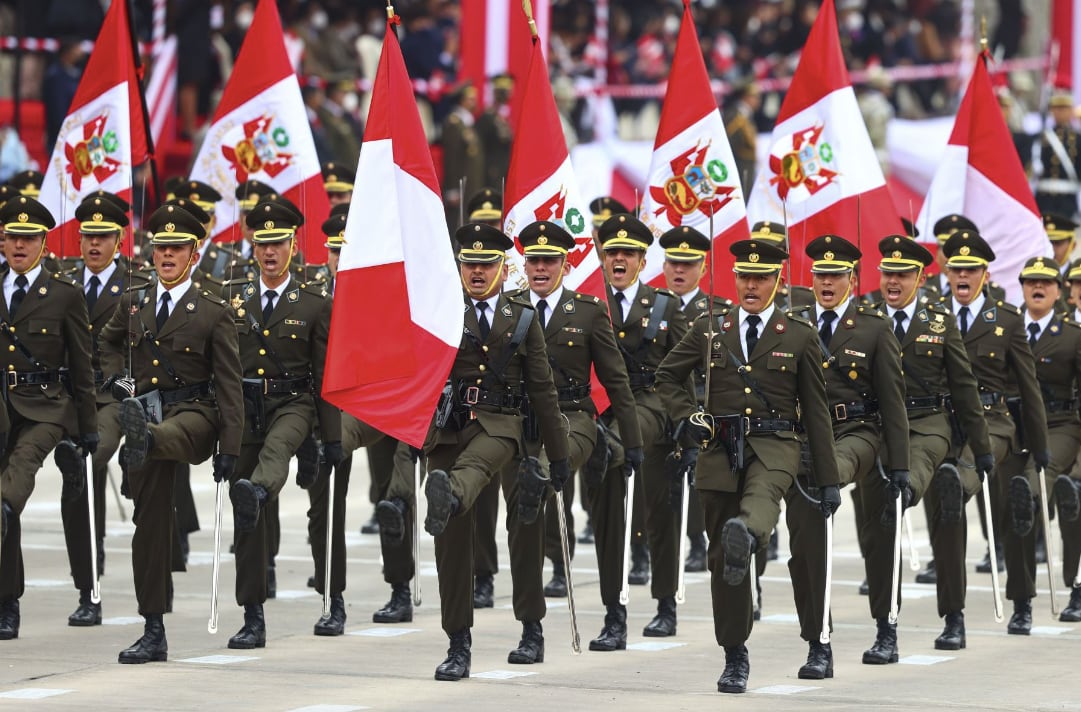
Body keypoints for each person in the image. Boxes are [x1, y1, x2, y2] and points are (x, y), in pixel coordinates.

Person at [655, 238, 839, 693]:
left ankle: (814, 637)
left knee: (759, 506)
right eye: (744, 277)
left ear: (779, 281)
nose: (751, 286)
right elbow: (667, 375)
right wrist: (687, 417)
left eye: (761, 278)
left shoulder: (798, 334)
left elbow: (816, 412)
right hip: (720, 450)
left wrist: (829, 480)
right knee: (723, 558)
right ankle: (735, 654)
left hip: (777, 446)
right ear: (734, 279)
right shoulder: (710, 328)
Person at [416, 223, 569, 681]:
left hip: (505, 426)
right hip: (449, 429)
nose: (477, 272)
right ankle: (457, 644)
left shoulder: (521, 316)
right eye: (469, 264)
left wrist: (559, 455)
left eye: (486, 264)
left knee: (522, 527)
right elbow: (417, 374)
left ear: (503, 268)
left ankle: (531, 628)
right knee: (450, 541)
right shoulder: (441, 310)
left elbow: (542, 389)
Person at [101, 204, 243, 663]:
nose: (166, 255)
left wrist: (231, 446)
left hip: (195, 414)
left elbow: (229, 384)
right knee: (150, 525)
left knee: (163, 435)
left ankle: (142, 439)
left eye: (176, 248)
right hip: (146, 409)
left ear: (193, 254)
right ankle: (153, 628)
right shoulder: (135, 301)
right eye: (160, 247)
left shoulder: (213, 311)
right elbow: (106, 342)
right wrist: (118, 380)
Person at [501, 220, 641, 663]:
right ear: (525, 264)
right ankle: (531, 629)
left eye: (550, 260)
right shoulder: (508, 309)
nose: (541, 268)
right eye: (534, 261)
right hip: (523, 424)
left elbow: (616, 380)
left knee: (601, 514)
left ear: (565, 264)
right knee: (523, 519)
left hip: (574, 417)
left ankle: (615, 614)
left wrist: (632, 441)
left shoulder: (588, 311)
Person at [786, 234, 909, 679]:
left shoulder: (874, 327)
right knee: (805, 546)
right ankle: (818, 643)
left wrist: (900, 465)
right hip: (806, 438)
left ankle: (886, 628)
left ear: (852, 280)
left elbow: (893, 401)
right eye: (820, 274)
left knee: (879, 536)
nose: (826, 282)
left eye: (835, 275)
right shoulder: (793, 323)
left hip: (859, 432)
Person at [862, 235, 991, 662]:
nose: (893, 281)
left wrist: (981, 447)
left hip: (929, 424)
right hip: (879, 429)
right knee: (878, 535)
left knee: (945, 523)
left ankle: (954, 616)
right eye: (888, 273)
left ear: (920, 277)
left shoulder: (939, 321)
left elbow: (964, 385)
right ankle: (886, 630)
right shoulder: (864, 319)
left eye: (902, 274)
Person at [221, 200, 341, 649]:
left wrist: (331, 438)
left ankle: (259, 488)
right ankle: (252, 616)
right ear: (253, 248)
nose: (270, 252)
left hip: (295, 403)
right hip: (246, 409)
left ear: (293, 244)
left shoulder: (314, 303)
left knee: (274, 456)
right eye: (262, 244)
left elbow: (324, 376)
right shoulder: (233, 299)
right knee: (246, 518)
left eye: (278, 243)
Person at [935, 229, 1047, 637]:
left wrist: (1039, 446)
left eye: (971, 269)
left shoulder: (1007, 320)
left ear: (985, 274)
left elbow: (1029, 387)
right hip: (946, 425)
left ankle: (1022, 601)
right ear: (947, 273)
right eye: (956, 269)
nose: (962, 275)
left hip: (996, 421)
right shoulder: (931, 316)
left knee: (1012, 510)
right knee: (947, 515)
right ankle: (953, 617)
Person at [588, 214, 687, 649]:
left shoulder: (664, 307)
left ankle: (665, 604)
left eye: (628, 253)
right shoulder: (591, 305)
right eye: (612, 252)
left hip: (653, 408)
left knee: (660, 517)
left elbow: (685, 372)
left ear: (642, 261)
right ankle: (614, 615)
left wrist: (689, 426)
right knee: (608, 522)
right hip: (605, 410)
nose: (619, 259)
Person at [0, 195, 96, 641]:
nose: (20, 245)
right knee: (6, 508)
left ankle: (7, 603)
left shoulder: (64, 294)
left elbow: (82, 366)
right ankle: (7, 600)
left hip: (46, 407)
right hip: (2, 407)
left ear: (44, 243)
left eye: (29, 238)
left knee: (14, 484)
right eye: (13, 237)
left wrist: (87, 430)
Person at [57, 193, 142, 627]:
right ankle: (86, 578)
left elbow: (145, 351)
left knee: (87, 465)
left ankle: (90, 592)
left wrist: (129, 387)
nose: (94, 244)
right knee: (76, 483)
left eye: (103, 236)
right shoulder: (62, 282)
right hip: (64, 397)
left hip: (112, 396)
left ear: (119, 239)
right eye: (88, 236)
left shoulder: (137, 285)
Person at [657, 226, 732, 573]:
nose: (679, 270)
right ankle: (644, 547)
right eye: (673, 262)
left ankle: (698, 539)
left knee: (699, 476)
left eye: (688, 264)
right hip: (660, 402)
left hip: (703, 403)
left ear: (703, 269)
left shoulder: (718, 312)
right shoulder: (650, 307)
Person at [1017, 257, 1081, 624]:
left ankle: (1077, 586)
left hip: (1060, 424)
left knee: (1050, 495)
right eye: (1031, 281)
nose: (1037, 287)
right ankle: (1021, 601)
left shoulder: (1071, 334)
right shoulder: (1006, 328)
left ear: (1058, 291)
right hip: (1015, 427)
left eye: (1045, 282)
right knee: (1015, 511)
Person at [1034, 91, 1081, 219]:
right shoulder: (1041, 137)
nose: (1060, 112)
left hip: (1068, 201)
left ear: (1071, 111)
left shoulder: (1078, 139)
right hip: (1044, 199)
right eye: (1057, 108)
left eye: (1064, 108)